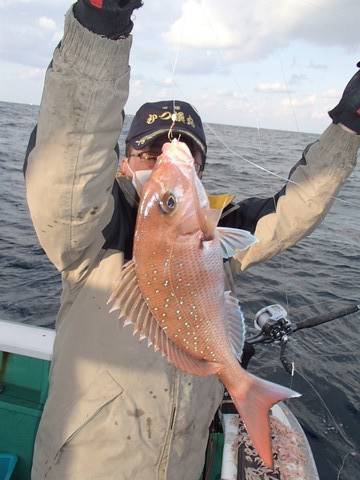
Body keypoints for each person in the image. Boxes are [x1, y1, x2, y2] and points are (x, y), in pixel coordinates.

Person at [23, 1, 360, 479]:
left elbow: (293, 210)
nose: (167, 156)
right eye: (148, 151)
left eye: (183, 150)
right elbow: (68, 161)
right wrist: (100, 22)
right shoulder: (90, 235)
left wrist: (349, 125)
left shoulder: (215, 233)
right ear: (122, 162)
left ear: (199, 170)